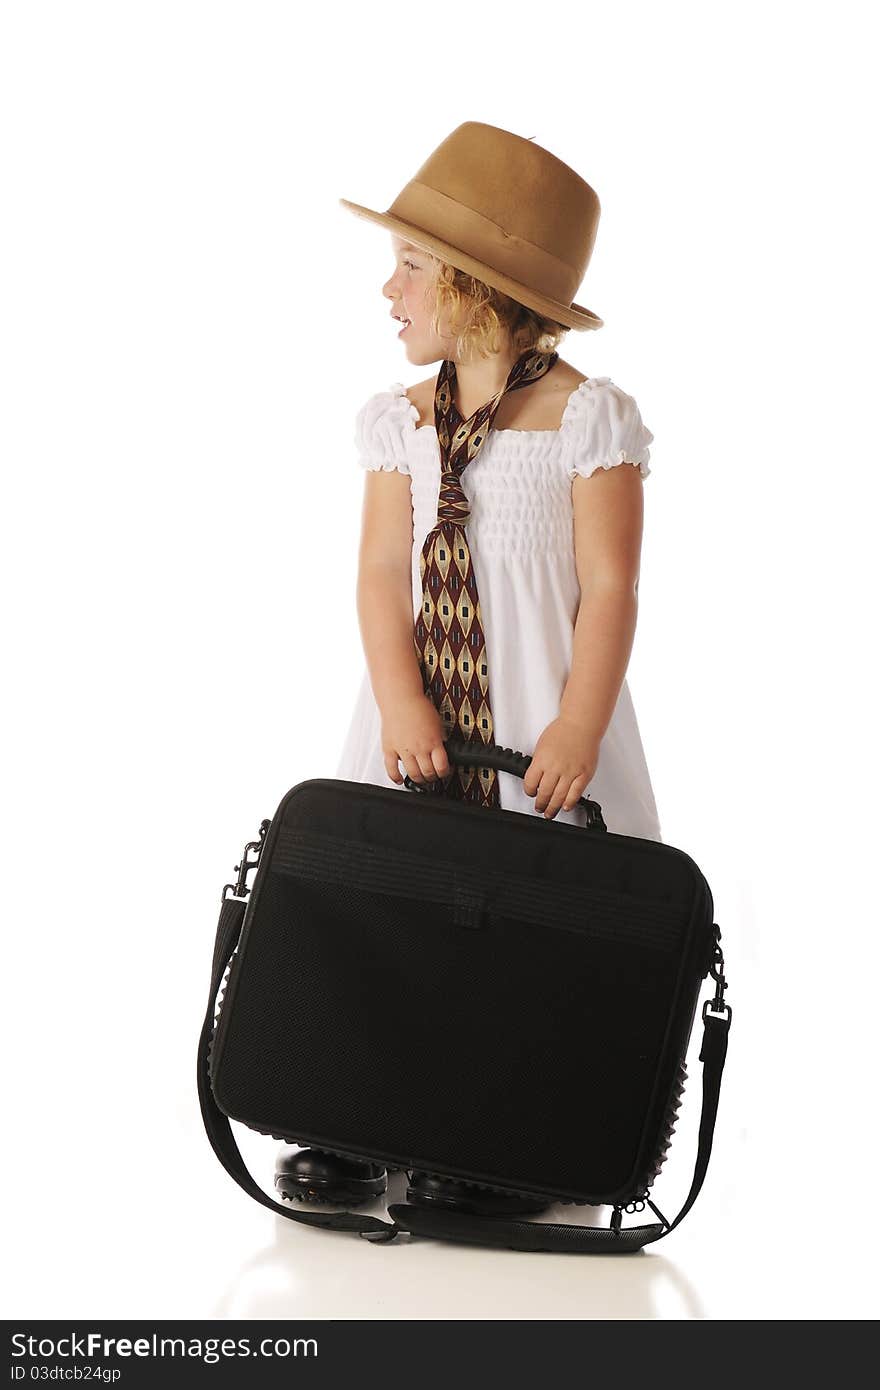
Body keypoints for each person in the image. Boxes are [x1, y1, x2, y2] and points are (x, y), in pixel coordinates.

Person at [275, 122, 662, 1218]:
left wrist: (579, 727)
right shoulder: (395, 424)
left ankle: (511, 1127)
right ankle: (360, 1103)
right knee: (387, 906)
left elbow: (612, 589)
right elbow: (379, 575)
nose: (385, 287)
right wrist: (400, 700)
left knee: (536, 921)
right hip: (422, 723)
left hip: (543, 720)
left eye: (408, 265)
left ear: (477, 290)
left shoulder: (588, 421)